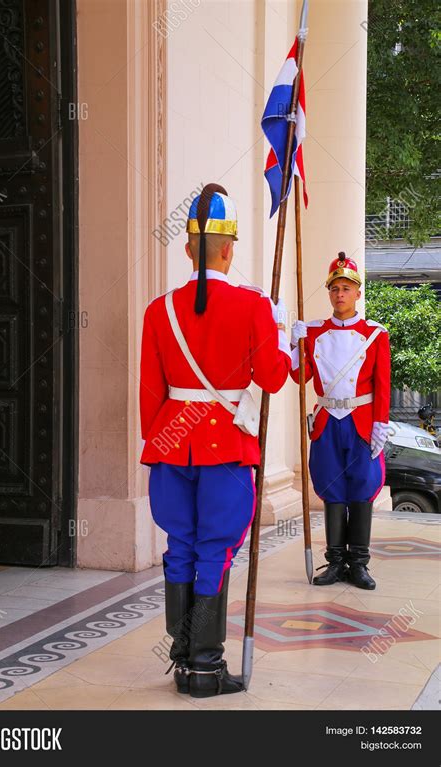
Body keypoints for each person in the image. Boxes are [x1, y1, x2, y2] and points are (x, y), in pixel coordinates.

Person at [139, 182, 292, 697]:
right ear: (229, 249)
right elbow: (272, 378)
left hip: (172, 445)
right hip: (225, 448)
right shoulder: (254, 306)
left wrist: (161, 444)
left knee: (179, 547)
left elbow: (149, 393)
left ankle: (183, 661)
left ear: (187, 248)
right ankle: (205, 668)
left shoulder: (158, 311)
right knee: (215, 552)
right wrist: (283, 340)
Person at [290, 253, 391, 590]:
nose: (340, 294)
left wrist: (380, 423)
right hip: (327, 420)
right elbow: (297, 375)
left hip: (361, 421)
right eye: (334, 289)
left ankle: (358, 564)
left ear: (358, 293)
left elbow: (382, 384)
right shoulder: (314, 332)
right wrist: (292, 343)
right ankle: (335, 561)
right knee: (332, 489)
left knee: (361, 490)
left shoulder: (376, 334)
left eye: (346, 288)